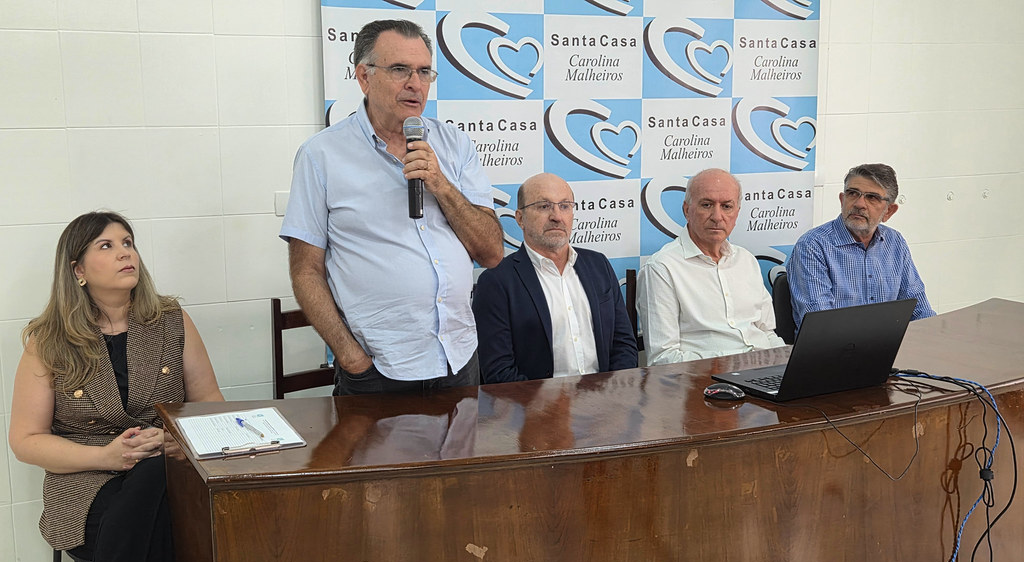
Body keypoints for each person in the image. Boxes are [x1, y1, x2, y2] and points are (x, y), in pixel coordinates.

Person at [280, 19, 503, 396]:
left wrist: (440, 184)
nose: (415, 83)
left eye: (424, 71)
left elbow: (492, 252)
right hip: (378, 368)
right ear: (363, 76)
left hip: (458, 358)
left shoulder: (454, 145)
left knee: (463, 440)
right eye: (400, 69)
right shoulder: (322, 155)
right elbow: (306, 271)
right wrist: (351, 358)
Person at [8, 211, 223, 562]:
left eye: (128, 243)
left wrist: (176, 440)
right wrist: (106, 455)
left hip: (168, 466)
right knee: (168, 521)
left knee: (156, 478)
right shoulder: (48, 340)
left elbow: (210, 404)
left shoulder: (171, 320)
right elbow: (25, 440)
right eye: (106, 246)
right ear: (78, 270)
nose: (126, 253)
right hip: (85, 483)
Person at [473, 173, 637, 383]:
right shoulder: (496, 282)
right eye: (544, 206)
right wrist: (553, 401)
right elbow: (499, 372)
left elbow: (624, 344)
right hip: (536, 402)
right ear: (520, 219)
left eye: (565, 206)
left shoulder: (598, 265)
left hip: (606, 396)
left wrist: (612, 391)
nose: (557, 216)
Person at [637, 168, 785, 365]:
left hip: (762, 369)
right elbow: (663, 359)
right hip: (706, 378)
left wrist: (786, 360)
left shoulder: (746, 260)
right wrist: (737, 363)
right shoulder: (662, 268)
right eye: (707, 205)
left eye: (726, 206)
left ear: (737, 212)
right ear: (687, 210)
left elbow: (767, 333)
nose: (717, 216)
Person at [787, 163, 935, 333]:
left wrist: (935, 337)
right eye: (852, 193)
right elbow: (821, 326)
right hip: (835, 347)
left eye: (872, 197)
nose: (859, 204)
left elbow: (920, 311)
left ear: (889, 211)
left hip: (888, 344)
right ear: (842, 200)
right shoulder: (813, 246)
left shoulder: (895, 242)